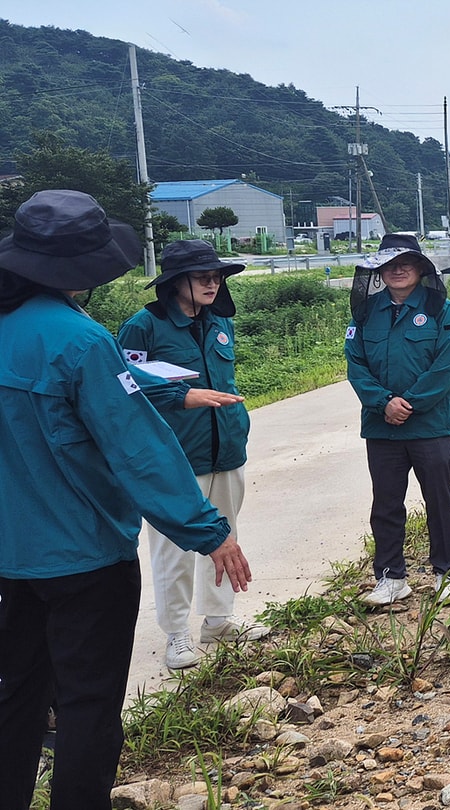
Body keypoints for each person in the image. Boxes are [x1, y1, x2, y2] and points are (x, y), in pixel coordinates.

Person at [0, 190, 253, 810]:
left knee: (17, 697)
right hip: (84, 557)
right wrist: (208, 530)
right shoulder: (81, 340)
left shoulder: (16, 330)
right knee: (88, 704)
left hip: (11, 557)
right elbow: (136, 449)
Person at [118, 239, 267, 670]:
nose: (212, 281)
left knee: (226, 538)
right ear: (173, 282)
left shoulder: (219, 321)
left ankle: (219, 619)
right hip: (176, 457)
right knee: (174, 548)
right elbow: (123, 384)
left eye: (217, 275)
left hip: (226, 450)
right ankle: (177, 633)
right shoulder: (143, 327)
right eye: (201, 275)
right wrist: (182, 396)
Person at [344, 233, 450, 605]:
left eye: (405, 263)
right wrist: (383, 403)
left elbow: (444, 367)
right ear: (379, 269)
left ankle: (447, 574)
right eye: (389, 264)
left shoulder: (443, 310)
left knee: (439, 500)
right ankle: (391, 576)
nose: (397, 269)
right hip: (382, 429)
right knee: (386, 503)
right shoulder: (366, 312)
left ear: (419, 268)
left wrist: (408, 403)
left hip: (430, 426)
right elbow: (356, 365)